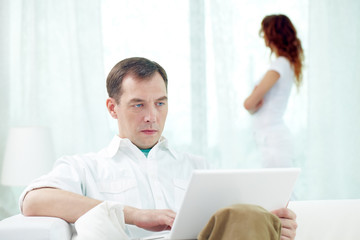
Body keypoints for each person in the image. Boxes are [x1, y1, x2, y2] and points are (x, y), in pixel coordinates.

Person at [21, 57, 297, 239]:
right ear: (112, 108)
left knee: (250, 215)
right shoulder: (86, 166)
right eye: (138, 104)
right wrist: (136, 215)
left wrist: (268, 225)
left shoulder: (196, 166)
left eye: (160, 103)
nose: (152, 116)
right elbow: (33, 201)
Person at [244, 14, 304, 168]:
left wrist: (253, 101)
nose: (263, 37)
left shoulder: (280, 65)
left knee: (279, 191)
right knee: (278, 190)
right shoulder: (284, 64)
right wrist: (254, 103)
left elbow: (249, 103)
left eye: (264, 33)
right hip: (270, 140)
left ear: (272, 36)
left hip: (273, 142)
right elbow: (252, 106)